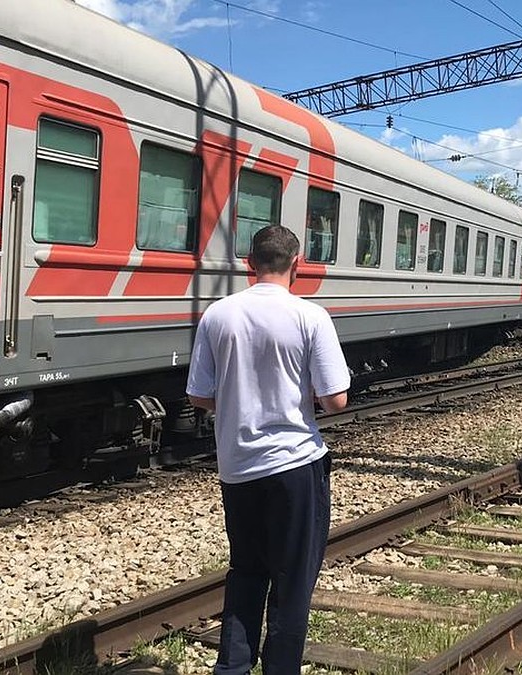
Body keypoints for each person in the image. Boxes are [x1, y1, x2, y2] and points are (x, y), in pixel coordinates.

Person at [186, 224, 351, 675]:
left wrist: (240, 398)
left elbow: (199, 396)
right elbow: (335, 399)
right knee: (292, 584)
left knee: (246, 574)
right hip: (296, 465)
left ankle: (232, 669)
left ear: (249, 265)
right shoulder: (310, 316)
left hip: (237, 469)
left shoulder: (217, 316)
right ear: (297, 263)